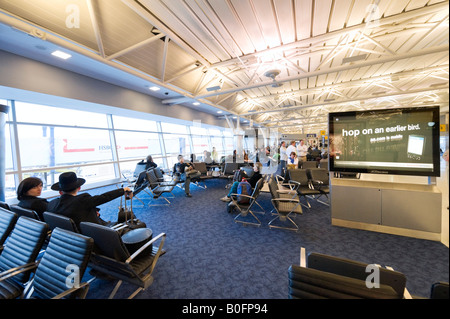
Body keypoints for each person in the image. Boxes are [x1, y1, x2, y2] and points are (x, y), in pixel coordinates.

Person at [47, 172, 133, 228]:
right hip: (98, 234)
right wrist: (123, 190)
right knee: (130, 220)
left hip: (74, 239)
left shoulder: (52, 204)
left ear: (60, 192)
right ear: (79, 188)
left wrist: (93, 212)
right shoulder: (82, 200)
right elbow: (104, 197)